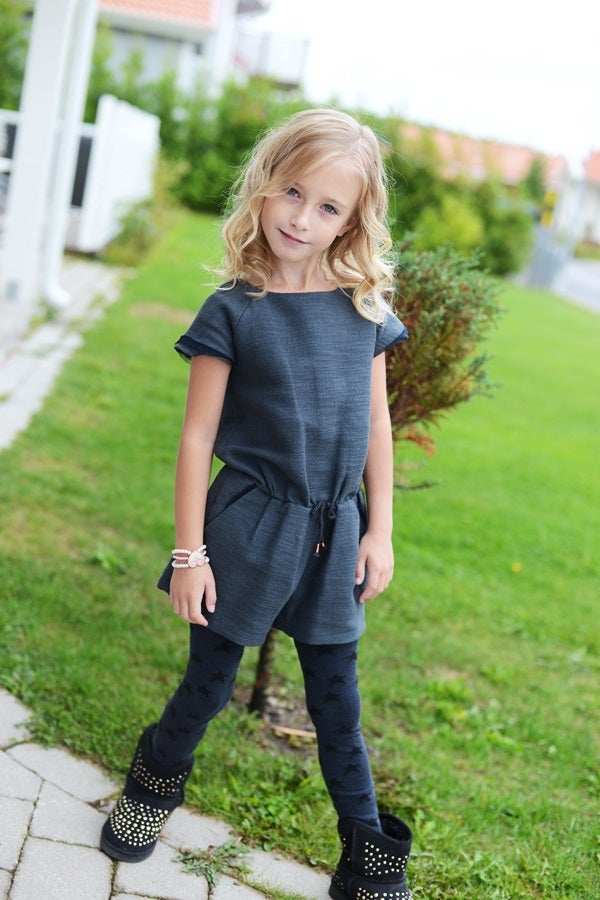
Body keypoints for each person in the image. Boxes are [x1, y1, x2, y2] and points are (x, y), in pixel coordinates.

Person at [100, 107, 413, 900]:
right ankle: (151, 789)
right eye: (292, 192)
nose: (302, 218)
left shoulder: (364, 309)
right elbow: (196, 439)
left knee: (337, 705)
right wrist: (190, 555)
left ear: (352, 222)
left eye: (328, 206)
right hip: (248, 527)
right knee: (207, 685)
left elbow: (377, 424)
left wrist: (379, 529)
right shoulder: (233, 311)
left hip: (336, 532)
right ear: (264, 186)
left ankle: (368, 861)